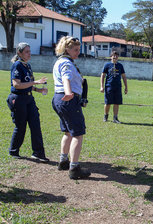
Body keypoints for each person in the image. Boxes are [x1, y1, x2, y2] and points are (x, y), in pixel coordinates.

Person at [52, 36, 90, 180]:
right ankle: (74, 168)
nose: (78, 52)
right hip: (67, 99)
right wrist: (69, 92)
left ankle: (63, 161)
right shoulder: (67, 63)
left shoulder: (59, 61)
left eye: (79, 49)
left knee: (67, 131)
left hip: (58, 99)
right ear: (67, 49)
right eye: (75, 49)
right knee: (77, 134)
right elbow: (66, 78)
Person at [6, 42, 49, 162]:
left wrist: (38, 90)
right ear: (19, 53)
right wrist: (35, 83)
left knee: (35, 125)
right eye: (26, 51)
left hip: (29, 99)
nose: (29, 54)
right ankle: (13, 150)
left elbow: (28, 85)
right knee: (21, 127)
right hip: (18, 99)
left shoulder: (27, 66)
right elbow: (17, 85)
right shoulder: (17, 65)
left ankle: (38, 153)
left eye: (30, 51)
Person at [100, 51, 128, 123]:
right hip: (109, 86)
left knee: (116, 103)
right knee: (108, 102)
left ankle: (115, 118)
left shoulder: (120, 66)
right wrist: (101, 86)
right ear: (111, 57)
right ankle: (105, 116)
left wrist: (126, 87)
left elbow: (124, 77)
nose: (115, 57)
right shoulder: (107, 65)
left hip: (118, 86)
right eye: (113, 56)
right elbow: (103, 75)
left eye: (116, 56)